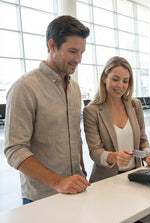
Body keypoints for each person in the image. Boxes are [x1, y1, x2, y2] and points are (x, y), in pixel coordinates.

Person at [4, 15, 91, 204]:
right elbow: (14, 149)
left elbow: (75, 138)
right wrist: (58, 182)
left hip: (75, 189)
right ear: (52, 45)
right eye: (73, 51)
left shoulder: (75, 89)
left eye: (82, 52)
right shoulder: (24, 88)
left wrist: (81, 170)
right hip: (41, 197)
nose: (79, 59)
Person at [83, 56, 150, 183]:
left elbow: (142, 139)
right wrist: (114, 157)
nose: (120, 85)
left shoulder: (135, 105)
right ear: (104, 78)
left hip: (135, 176)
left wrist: (147, 156)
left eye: (125, 81)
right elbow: (95, 151)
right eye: (115, 79)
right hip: (106, 181)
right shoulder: (92, 111)